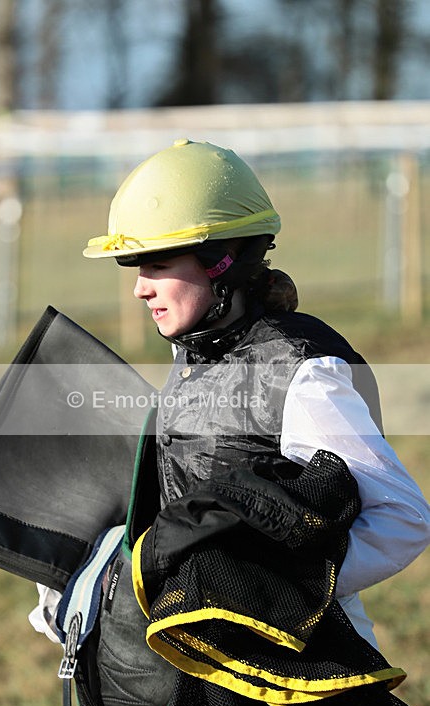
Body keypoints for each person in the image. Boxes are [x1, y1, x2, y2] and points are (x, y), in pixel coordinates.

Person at [82, 138, 430, 649]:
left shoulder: (303, 372)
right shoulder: (197, 351)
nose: (140, 287)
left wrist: (270, 595)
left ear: (220, 261)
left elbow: (402, 517)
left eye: (156, 265)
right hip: (201, 648)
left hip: (304, 663)